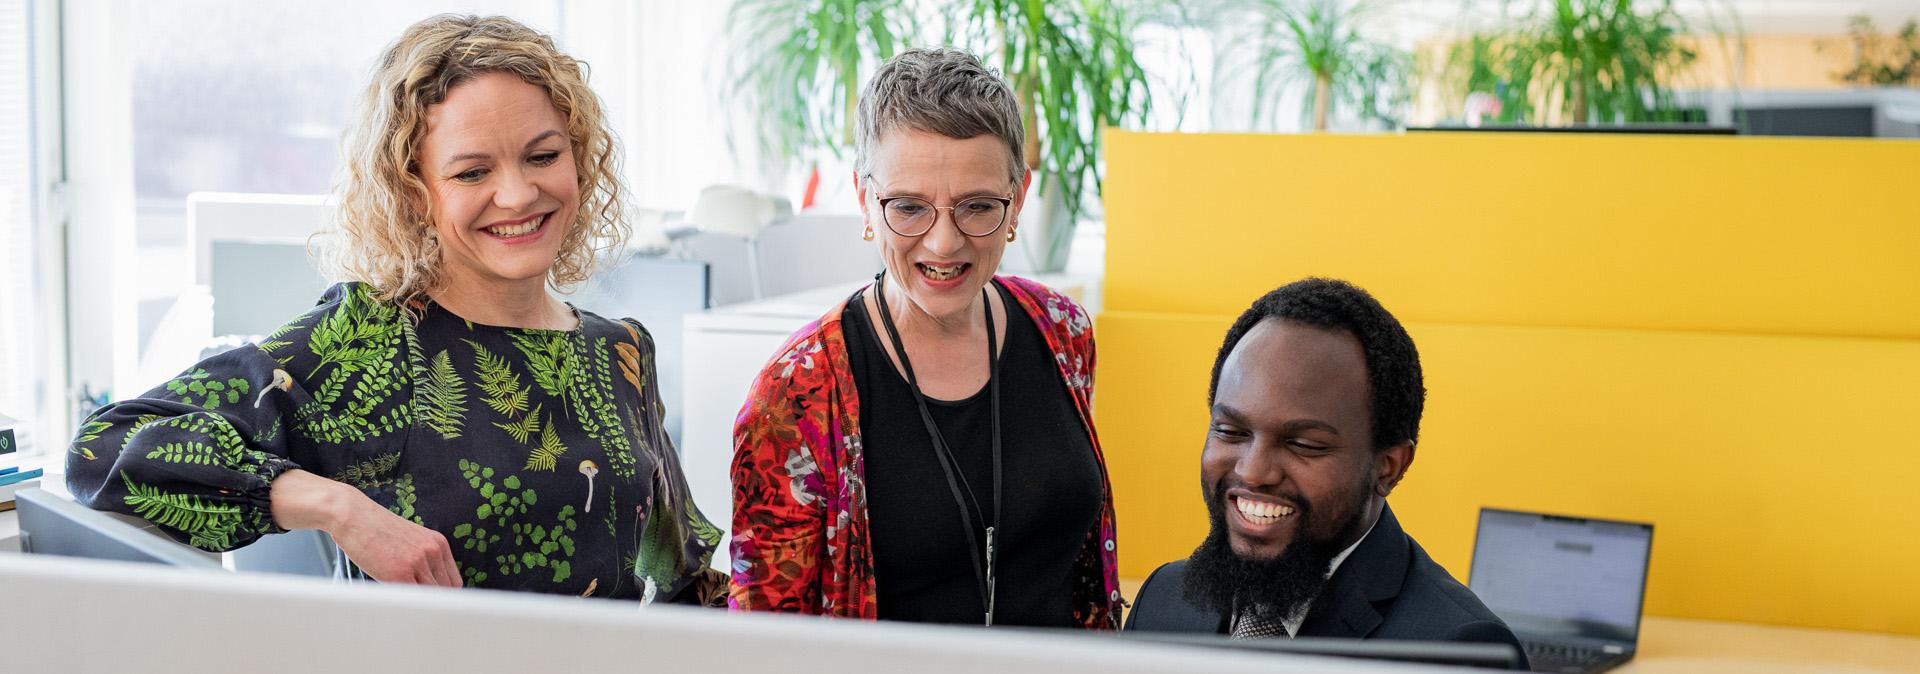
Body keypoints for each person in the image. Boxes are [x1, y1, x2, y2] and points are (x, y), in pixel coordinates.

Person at [65, 14, 724, 604]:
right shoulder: (370, 340)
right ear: (413, 194)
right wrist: (338, 507)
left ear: (579, 160)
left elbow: (682, 573)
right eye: (472, 173)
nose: (519, 194)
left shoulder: (622, 350)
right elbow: (105, 449)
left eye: (543, 156)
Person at [728, 48, 1120, 628]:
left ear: (1019, 198)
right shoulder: (797, 391)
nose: (943, 243)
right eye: (908, 207)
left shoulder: (1061, 328)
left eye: (979, 206)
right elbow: (761, 638)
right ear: (865, 199)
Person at [1126, 279, 1523, 660]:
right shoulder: (1164, 599)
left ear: (1388, 468)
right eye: (1231, 431)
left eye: (1303, 445)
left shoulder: (1452, 650)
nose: (1253, 472)